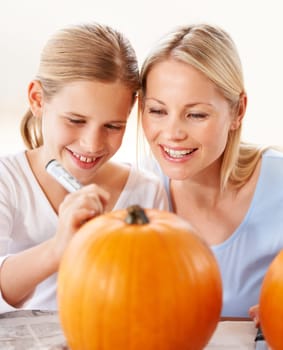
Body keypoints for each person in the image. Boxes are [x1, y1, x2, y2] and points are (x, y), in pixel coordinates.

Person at [0, 22, 168, 313]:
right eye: (75, 121)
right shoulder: (8, 180)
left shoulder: (146, 191)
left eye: (113, 126)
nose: (92, 145)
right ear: (37, 99)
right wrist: (58, 248)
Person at [138, 23, 283, 318]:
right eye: (157, 111)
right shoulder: (134, 195)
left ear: (238, 111)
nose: (173, 133)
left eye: (196, 115)